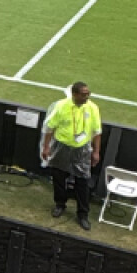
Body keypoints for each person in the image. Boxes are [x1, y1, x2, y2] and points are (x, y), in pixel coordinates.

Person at [42, 81, 101, 231]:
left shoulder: (92, 108)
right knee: (58, 177)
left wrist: (96, 152)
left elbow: (97, 131)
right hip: (61, 146)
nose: (87, 97)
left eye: (88, 94)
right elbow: (50, 127)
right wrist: (46, 147)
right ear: (74, 94)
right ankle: (60, 204)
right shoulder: (61, 106)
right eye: (83, 94)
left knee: (82, 181)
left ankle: (83, 214)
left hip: (82, 149)